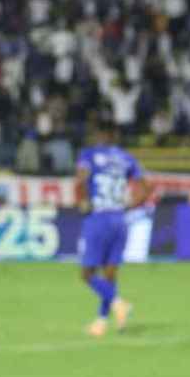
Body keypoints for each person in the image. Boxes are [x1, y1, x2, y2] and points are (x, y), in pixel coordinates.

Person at [74, 120, 152, 337]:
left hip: (98, 218)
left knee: (87, 274)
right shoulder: (127, 158)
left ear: (100, 134)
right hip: (120, 220)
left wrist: (83, 202)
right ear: (115, 136)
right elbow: (146, 189)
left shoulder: (89, 155)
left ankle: (118, 303)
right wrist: (129, 206)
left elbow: (80, 180)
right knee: (110, 275)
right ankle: (101, 322)